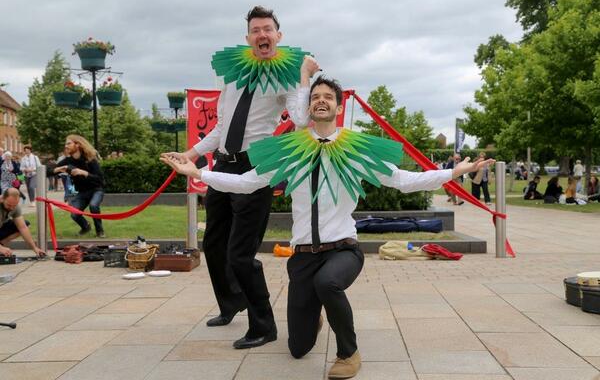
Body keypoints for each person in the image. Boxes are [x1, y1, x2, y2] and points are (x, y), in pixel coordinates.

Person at [161, 76, 494, 379]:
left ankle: (348, 353)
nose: (321, 101)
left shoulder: (356, 149)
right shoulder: (289, 151)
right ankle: (314, 316)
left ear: (338, 106)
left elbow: (403, 180)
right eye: (315, 96)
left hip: (343, 249)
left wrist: (453, 172)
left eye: (327, 97)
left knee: (328, 282)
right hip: (303, 256)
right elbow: (248, 182)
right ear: (308, 107)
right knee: (298, 348)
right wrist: (199, 174)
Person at [162, 6, 319, 349]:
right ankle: (231, 302)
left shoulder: (287, 73)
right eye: (255, 30)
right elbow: (221, 125)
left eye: (268, 29)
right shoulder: (233, 72)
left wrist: (305, 75)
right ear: (247, 37)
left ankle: (264, 325)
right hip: (222, 165)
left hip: (255, 167)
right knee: (213, 245)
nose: (262, 35)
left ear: (279, 35)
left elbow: (301, 119)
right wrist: (191, 154)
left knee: (240, 254)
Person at [54, 135, 105, 238]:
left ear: (77, 145)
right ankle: (86, 227)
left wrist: (84, 173)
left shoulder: (90, 159)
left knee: (94, 206)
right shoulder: (68, 161)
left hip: (96, 190)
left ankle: (100, 231)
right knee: (74, 214)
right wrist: (59, 169)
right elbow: (50, 170)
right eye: (66, 144)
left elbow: (100, 179)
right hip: (82, 193)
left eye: (68, 143)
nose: (66, 146)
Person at [0, 188, 46, 258]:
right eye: (9, 205)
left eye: (14, 205)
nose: (12, 208)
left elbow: (22, 228)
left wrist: (34, 248)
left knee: (26, 224)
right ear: (2, 199)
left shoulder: (14, 207)